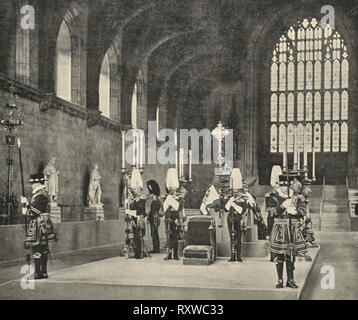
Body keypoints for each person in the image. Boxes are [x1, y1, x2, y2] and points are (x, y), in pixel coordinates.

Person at [269, 178, 307, 289]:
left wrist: (295, 212)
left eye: (286, 186)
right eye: (282, 186)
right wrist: (282, 206)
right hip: (280, 228)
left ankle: (290, 279)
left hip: (292, 227)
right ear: (279, 186)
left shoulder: (296, 197)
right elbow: (273, 213)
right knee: (279, 254)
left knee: (291, 254)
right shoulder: (273, 197)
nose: (284, 189)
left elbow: (303, 211)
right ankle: (280, 279)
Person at [20, 173, 57, 279]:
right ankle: (43, 272)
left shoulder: (41, 195)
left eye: (32, 183)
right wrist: (27, 205)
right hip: (43, 224)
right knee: (43, 248)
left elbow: (33, 212)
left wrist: (25, 206)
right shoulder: (41, 194)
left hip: (39, 225)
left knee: (37, 247)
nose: (31, 185)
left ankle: (38, 272)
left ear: (37, 183)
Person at [224, 168, 248, 262]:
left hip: (238, 218)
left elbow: (241, 210)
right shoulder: (230, 197)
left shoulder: (243, 198)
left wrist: (233, 204)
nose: (235, 191)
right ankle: (232, 256)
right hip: (230, 218)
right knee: (232, 237)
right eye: (234, 190)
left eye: (236, 190)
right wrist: (230, 201)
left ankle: (238, 256)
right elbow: (226, 208)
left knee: (238, 237)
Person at [163, 168, 184, 261]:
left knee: (175, 236)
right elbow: (164, 208)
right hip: (168, 218)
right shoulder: (167, 198)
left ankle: (175, 254)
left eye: (173, 190)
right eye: (170, 189)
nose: (172, 191)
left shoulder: (179, 198)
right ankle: (169, 253)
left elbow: (180, 208)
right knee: (168, 236)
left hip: (175, 218)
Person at [127, 168, 147, 259]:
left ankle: (140, 253)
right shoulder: (133, 201)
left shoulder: (142, 200)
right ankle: (136, 252)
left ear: (139, 189)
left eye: (136, 189)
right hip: (134, 219)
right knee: (135, 237)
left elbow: (142, 210)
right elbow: (131, 209)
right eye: (133, 189)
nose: (134, 191)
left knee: (139, 236)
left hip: (139, 219)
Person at [146, 180, 162, 253]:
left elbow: (153, 209)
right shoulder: (155, 199)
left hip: (155, 217)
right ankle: (156, 248)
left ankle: (156, 249)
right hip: (153, 217)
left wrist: (148, 215)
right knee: (153, 233)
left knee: (154, 233)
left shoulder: (156, 200)